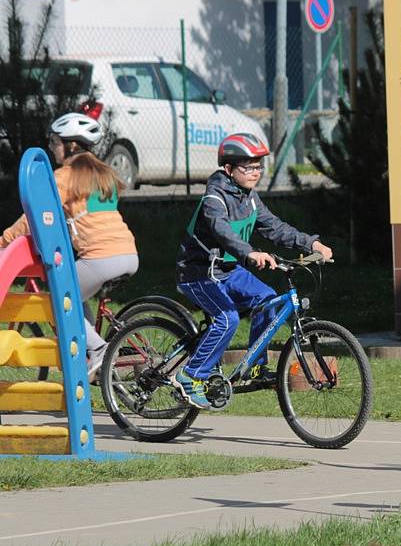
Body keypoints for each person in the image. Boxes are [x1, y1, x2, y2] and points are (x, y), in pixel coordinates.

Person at [174, 132, 333, 409]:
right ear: (228, 169)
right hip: (199, 272)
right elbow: (221, 230)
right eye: (248, 167)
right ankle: (191, 375)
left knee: (268, 300)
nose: (255, 172)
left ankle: (255, 369)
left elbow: (275, 227)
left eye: (259, 166)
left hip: (229, 269)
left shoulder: (250, 198)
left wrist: (312, 243)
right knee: (227, 319)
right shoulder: (215, 197)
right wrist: (249, 253)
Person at [0, 113, 139, 379]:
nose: (53, 147)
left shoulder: (65, 176)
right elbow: (86, 219)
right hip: (129, 253)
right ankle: (97, 355)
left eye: (55, 141)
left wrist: (4, 240)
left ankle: (99, 350)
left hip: (101, 258)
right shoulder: (104, 173)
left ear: (71, 145)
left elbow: (34, 217)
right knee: (75, 293)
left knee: (58, 301)